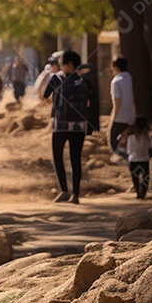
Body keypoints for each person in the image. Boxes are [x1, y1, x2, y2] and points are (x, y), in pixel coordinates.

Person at [44, 50, 90, 204]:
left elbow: (44, 95)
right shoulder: (83, 81)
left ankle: (64, 190)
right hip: (79, 126)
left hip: (60, 125)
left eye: (62, 63)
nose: (61, 67)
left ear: (69, 64)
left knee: (58, 157)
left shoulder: (56, 78)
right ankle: (75, 195)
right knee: (75, 159)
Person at [117, 117, 152, 199]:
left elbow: (128, 149)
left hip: (133, 160)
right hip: (144, 160)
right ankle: (142, 194)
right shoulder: (146, 138)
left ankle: (138, 193)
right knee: (145, 178)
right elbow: (151, 145)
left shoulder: (130, 138)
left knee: (135, 178)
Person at [109, 57, 135, 152]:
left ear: (116, 68)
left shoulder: (116, 81)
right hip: (132, 116)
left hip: (120, 117)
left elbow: (117, 101)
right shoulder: (131, 78)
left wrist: (113, 117)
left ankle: (122, 161)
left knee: (114, 144)